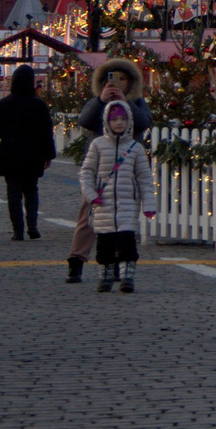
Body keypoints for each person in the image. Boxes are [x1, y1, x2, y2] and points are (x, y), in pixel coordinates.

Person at [68, 57, 151, 283]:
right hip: (101, 171)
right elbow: (85, 120)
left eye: (123, 79)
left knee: (121, 219)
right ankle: (76, 260)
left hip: (126, 172)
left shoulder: (138, 103)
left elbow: (143, 123)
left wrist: (127, 103)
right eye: (114, 79)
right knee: (89, 217)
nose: (118, 83)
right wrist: (100, 101)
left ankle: (115, 264)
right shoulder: (99, 101)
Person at [77, 101, 154, 292]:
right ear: (107, 121)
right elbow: (86, 171)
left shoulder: (135, 148)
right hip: (103, 205)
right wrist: (90, 194)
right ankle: (105, 277)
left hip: (127, 204)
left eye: (123, 119)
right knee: (104, 246)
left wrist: (148, 203)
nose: (119, 123)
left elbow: (144, 177)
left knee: (127, 244)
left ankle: (128, 276)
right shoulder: (98, 145)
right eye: (114, 119)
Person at [0, 64, 58, 241]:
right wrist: (48, 154)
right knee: (31, 190)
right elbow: (46, 131)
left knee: (13, 192)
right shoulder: (39, 105)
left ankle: (17, 230)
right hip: (33, 154)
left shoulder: (3, 104)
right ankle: (33, 226)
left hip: (10, 154)